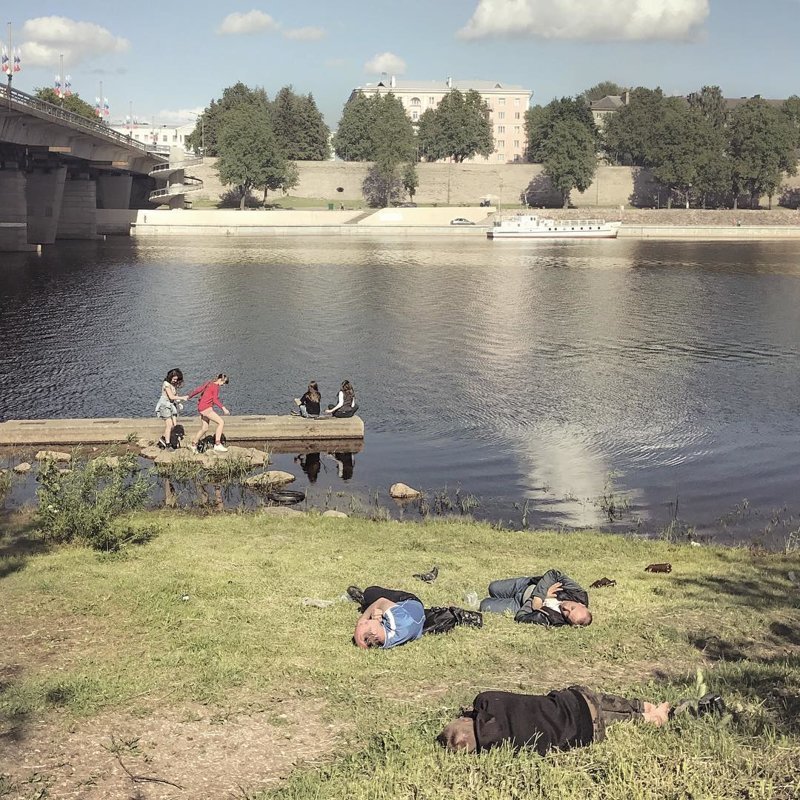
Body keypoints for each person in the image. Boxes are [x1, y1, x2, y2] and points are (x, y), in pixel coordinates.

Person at [437, 686, 671, 755]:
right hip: (575, 703)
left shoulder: (499, 748)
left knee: (602, 719)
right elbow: (491, 697)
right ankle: (643, 707)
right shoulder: (487, 702)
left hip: (585, 734)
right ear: (466, 720)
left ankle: (643, 718)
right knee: (591, 701)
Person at [479, 569, 592, 626]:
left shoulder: (555, 619)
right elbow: (554, 574)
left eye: (567, 615)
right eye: (572, 608)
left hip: (520, 604)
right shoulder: (578, 593)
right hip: (527, 585)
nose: (565, 609)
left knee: (484, 605)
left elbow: (521, 617)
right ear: (581, 604)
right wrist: (539, 596)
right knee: (493, 587)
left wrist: (534, 600)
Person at [351, 586, 425, 650]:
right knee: (370, 592)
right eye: (366, 623)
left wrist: (377, 618)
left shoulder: (384, 642)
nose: (366, 620)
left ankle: (368, 605)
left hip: (413, 618)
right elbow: (381, 601)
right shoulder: (398, 621)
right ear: (374, 632)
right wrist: (363, 618)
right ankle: (364, 600)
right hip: (411, 602)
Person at [188, 373, 230, 453]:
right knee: (221, 422)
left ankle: (193, 445)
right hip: (206, 408)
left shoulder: (209, 383)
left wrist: (189, 396)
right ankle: (217, 444)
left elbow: (199, 389)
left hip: (201, 407)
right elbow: (215, 399)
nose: (223, 385)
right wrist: (224, 408)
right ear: (221, 380)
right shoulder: (216, 386)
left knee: (204, 428)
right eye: (223, 383)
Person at [154, 368, 189, 449]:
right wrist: (183, 398)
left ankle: (162, 440)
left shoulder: (174, 385)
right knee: (169, 424)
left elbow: (175, 395)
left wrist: (179, 402)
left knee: (174, 425)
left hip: (172, 405)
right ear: (170, 377)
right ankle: (167, 444)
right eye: (174, 379)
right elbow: (171, 396)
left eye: (176, 379)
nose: (175, 381)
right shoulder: (166, 384)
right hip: (165, 405)